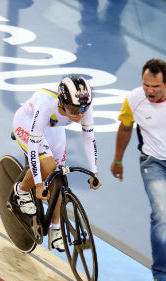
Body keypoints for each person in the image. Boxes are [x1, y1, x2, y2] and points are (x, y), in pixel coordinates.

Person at [111, 58, 166, 281]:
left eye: (155, 86)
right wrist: (117, 159)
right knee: (163, 216)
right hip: (153, 163)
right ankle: (161, 274)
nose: (149, 91)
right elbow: (125, 128)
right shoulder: (133, 100)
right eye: (146, 85)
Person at [12, 75, 102, 251]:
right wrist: (38, 184)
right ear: (61, 102)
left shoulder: (84, 106)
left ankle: (55, 229)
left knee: (58, 177)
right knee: (48, 167)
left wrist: (94, 172)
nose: (79, 115)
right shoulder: (46, 104)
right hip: (28, 123)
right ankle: (21, 190)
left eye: (83, 109)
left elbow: (89, 137)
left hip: (53, 127)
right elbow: (33, 145)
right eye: (73, 109)